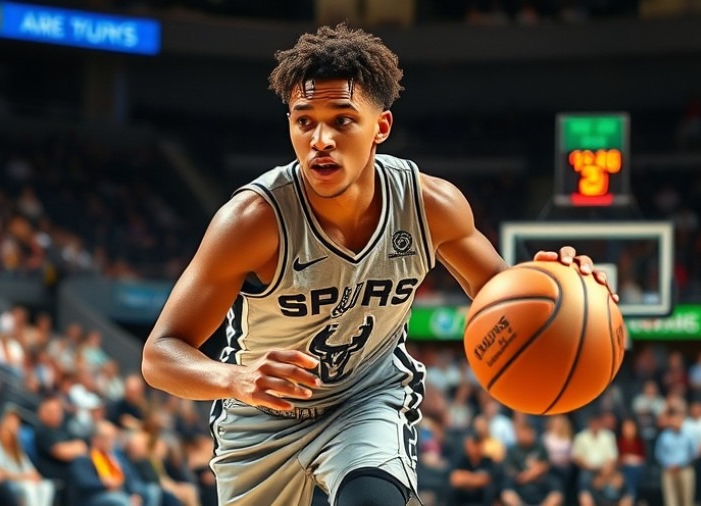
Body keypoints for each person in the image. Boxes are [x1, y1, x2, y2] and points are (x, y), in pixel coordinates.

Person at [141, 23, 615, 506]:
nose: (320, 139)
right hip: (262, 421)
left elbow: (503, 295)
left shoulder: (431, 204)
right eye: (304, 121)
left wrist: (565, 288)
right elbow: (159, 354)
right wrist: (234, 378)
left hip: (364, 401)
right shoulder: (252, 220)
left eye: (342, 120)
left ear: (380, 128)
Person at [0, 410, 55, 506]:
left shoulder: (17, 448)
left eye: (16, 424)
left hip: (23, 480)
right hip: (8, 483)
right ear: (1, 425)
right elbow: (0, 471)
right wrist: (23, 478)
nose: (13, 428)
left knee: (47, 486)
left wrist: (35, 476)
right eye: (10, 423)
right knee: (28, 488)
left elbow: (30, 468)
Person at [500, 421, 563, 506]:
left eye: (528, 432)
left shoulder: (539, 446)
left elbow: (546, 465)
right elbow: (511, 472)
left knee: (557, 488)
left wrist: (534, 473)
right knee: (506, 492)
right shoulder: (512, 450)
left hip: (540, 483)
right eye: (522, 433)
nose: (525, 435)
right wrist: (530, 474)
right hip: (520, 486)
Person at [655, 409, 697, 506]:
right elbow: (659, 453)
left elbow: (693, 453)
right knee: (670, 501)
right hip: (668, 470)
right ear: (670, 420)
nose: (676, 422)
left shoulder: (688, 435)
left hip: (685, 469)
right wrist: (668, 464)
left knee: (687, 500)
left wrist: (680, 464)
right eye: (674, 419)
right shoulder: (664, 436)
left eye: (679, 419)